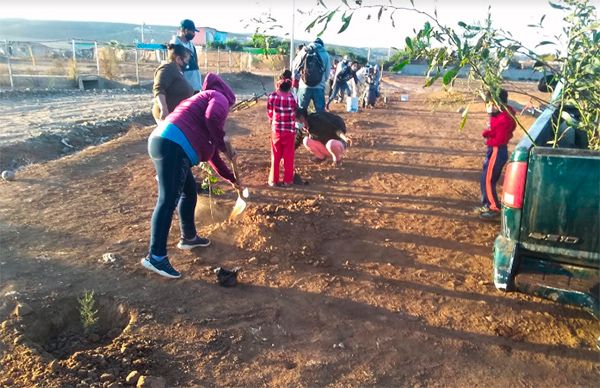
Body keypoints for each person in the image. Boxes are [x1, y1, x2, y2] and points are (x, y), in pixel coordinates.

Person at [142, 73, 240, 279]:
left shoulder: (200, 108)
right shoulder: (218, 97)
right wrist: (224, 145)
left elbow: (213, 159)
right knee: (167, 201)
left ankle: (189, 237)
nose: (227, 112)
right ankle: (156, 256)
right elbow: (213, 118)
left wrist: (232, 179)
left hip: (168, 144)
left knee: (189, 193)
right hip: (172, 146)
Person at [478, 89, 517, 220]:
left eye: (492, 104)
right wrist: (487, 133)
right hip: (496, 150)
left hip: (497, 150)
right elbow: (495, 131)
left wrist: (488, 139)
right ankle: (488, 204)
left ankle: (492, 207)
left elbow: (499, 139)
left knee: (488, 180)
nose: (489, 107)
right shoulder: (503, 114)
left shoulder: (503, 118)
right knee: (486, 178)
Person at [267, 71, 298, 186]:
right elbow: (296, 112)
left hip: (277, 131)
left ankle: (273, 181)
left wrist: (272, 121)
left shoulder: (272, 96)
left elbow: (270, 113)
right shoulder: (293, 97)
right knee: (288, 157)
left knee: (275, 156)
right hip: (290, 131)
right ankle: (288, 181)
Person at [152, 44, 194, 123]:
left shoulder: (177, 71)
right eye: (186, 60)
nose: (187, 63)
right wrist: (164, 109)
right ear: (178, 59)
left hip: (176, 116)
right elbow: (159, 89)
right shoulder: (167, 69)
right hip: (167, 117)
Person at [292, 38, 330, 112]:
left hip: (304, 85)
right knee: (320, 113)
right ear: (322, 45)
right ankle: (318, 123)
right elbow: (327, 72)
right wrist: (322, 81)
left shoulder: (304, 51)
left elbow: (295, 66)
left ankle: (300, 124)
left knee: (301, 112)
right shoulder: (325, 54)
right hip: (319, 86)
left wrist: (297, 77)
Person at [170, 19, 202, 93]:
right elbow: (174, 67)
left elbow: (195, 64)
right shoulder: (175, 45)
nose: (194, 33)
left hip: (195, 86)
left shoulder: (191, 46)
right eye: (192, 31)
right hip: (184, 87)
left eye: (194, 32)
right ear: (184, 30)